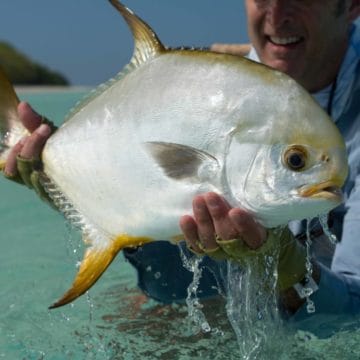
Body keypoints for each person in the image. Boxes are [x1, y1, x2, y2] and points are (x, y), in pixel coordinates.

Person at [3, 0, 360, 318]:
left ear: (351, 5)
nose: (277, 14)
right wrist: (71, 180)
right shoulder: (212, 81)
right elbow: (169, 275)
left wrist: (286, 265)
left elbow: (355, 307)